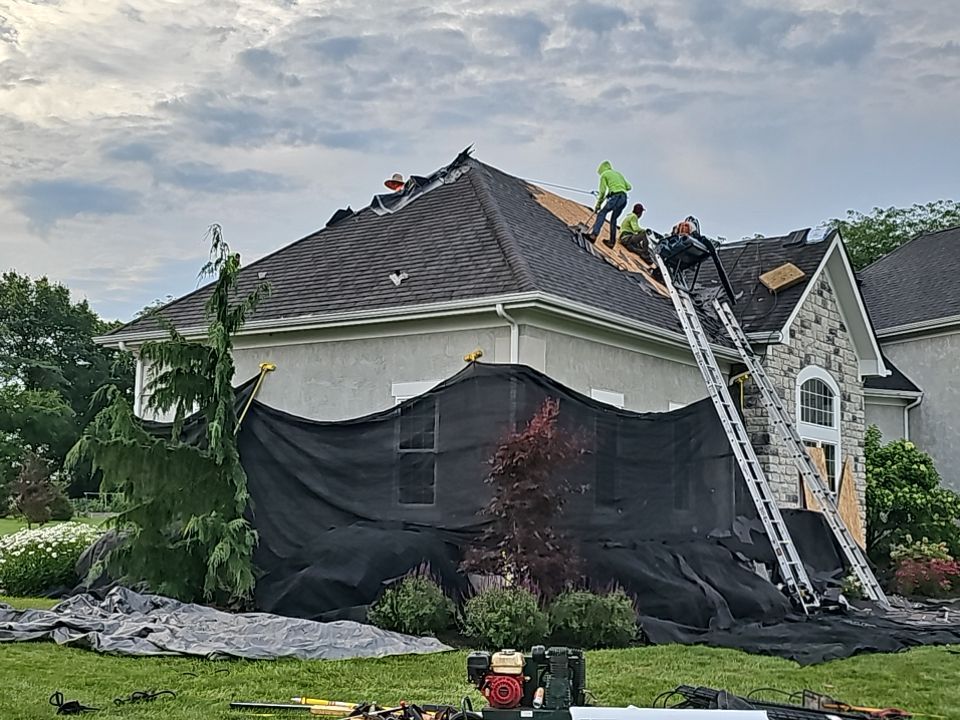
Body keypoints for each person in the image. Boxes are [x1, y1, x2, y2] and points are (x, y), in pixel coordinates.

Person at [589, 161, 631, 248]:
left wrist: (598, 205)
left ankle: (594, 235)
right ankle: (612, 242)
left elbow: (602, 192)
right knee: (613, 219)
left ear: (601, 170)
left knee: (602, 213)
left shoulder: (604, 175)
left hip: (616, 197)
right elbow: (629, 187)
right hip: (624, 198)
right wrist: (614, 190)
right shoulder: (618, 174)